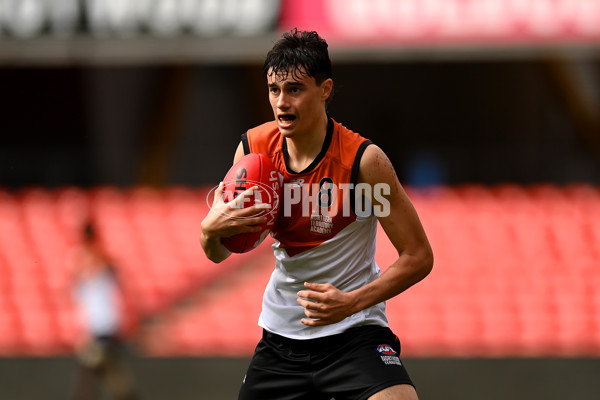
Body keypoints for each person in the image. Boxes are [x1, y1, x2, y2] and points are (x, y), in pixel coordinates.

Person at [200, 29, 433, 400]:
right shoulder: (253, 149)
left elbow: (419, 256)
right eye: (274, 90)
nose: (281, 102)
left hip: (354, 335)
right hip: (281, 341)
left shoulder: (363, 163)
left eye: (294, 89)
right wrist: (209, 231)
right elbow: (219, 252)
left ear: (325, 90)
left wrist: (352, 302)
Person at [68, 220, 141, 400]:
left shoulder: (88, 261)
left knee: (98, 370)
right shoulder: (98, 260)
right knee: (102, 370)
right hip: (102, 324)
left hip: (101, 324)